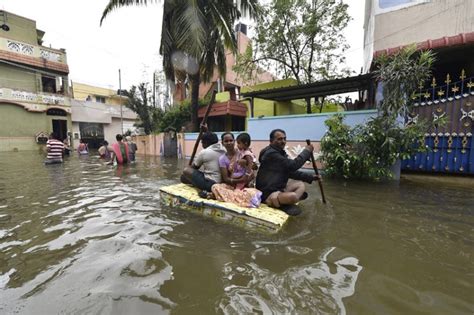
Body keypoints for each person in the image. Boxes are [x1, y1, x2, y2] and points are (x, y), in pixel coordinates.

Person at [256, 129, 320, 215]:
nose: (283, 141)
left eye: (284, 139)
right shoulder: (271, 154)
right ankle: (277, 201)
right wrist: (307, 151)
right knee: (293, 196)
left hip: (278, 189)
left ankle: (284, 200)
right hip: (266, 194)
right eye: (279, 139)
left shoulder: (280, 153)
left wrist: (311, 177)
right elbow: (293, 165)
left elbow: (290, 172)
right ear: (271, 141)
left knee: (300, 184)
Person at [211, 133, 262, 208]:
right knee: (215, 187)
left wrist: (246, 163)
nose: (229, 143)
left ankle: (230, 198)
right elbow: (226, 179)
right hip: (232, 185)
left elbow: (255, 167)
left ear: (234, 141)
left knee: (253, 193)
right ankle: (238, 199)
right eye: (226, 141)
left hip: (245, 186)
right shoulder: (222, 159)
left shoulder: (242, 152)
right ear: (222, 143)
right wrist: (241, 180)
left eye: (231, 140)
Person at [180, 130, 226, 195]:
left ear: (206, 143)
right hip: (222, 182)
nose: (202, 145)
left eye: (202, 143)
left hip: (211, 184)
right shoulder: (224, 149)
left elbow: (194, 167)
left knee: (186, 171)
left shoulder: (204, 152)